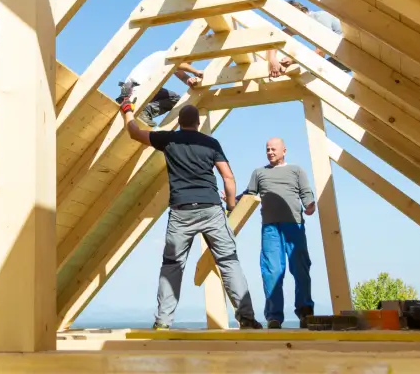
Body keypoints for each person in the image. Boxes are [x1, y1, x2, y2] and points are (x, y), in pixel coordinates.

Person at [120, 100, 262, 330]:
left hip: (181, 210)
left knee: (172, 265)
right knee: (228, 262)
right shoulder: (211, 143)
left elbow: (134, 133)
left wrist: (126, 110)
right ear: (198, 123)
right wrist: (230, 206)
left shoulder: (168, 139)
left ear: (179, 122)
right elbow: (228, 177)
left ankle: (163, 322)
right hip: (211, 208)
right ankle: (246, 318)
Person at [245, 137, 316, 329]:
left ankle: (305, 313)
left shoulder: (296, 170)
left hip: (294, 225)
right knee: (272, 271)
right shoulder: (259, 173)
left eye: (273, 149)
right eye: (267, 149)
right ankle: (274, 317)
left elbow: (306, 193)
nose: (270, 152)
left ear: (284, 150)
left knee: (300, 269)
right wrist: (231, 199)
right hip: (270, 228)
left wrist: (310, 205)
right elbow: (248, 195)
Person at [116, 49, 204, 127]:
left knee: (174, 98)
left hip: (130, 88)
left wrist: (189, 80)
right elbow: (178, 63)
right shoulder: (166, 56)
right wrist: (195, 71)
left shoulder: (168, 60)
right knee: (175, 98)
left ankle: (145, 110)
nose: (188, 65)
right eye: (188, 62)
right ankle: (146, 111)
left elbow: (183, 77)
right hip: (139, 87)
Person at [267, 0, 350, 77]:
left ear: (298, 14)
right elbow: (277, 37)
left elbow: (321, 52)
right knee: (314, 74)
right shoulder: (300, 24)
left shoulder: (319, 17)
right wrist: (272, 59)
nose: (291, 27)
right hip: (341, 56)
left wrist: (294, 59)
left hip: (351, 55)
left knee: (318, 75)